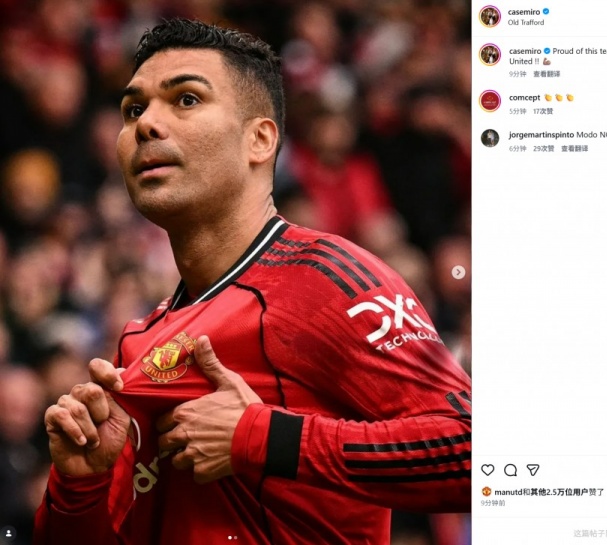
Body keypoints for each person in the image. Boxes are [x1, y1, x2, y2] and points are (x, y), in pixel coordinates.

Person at [34, 19, 471, 545]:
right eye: (133, 109)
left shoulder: (324, 278)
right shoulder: (139, 341)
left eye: (186, 99)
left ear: (259, 140)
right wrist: (80, 487)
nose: (147, 123)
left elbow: (474, 454)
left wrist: (264, 436)